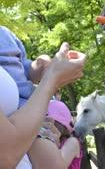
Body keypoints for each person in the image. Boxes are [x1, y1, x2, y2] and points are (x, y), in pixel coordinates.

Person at [0, 40, 86, 168]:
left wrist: (40, 66)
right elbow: (5, 155)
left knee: (53, 163)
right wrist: (52, 78)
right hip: (27, 116)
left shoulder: (7, 35)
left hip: (32, 110)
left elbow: (25, 68)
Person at [29, 100, 83, 169]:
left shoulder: (72, 142)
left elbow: (55, 165)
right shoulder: (42, 138)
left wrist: (52, 143)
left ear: (61, 124)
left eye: (47, 119)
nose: (43, 123)